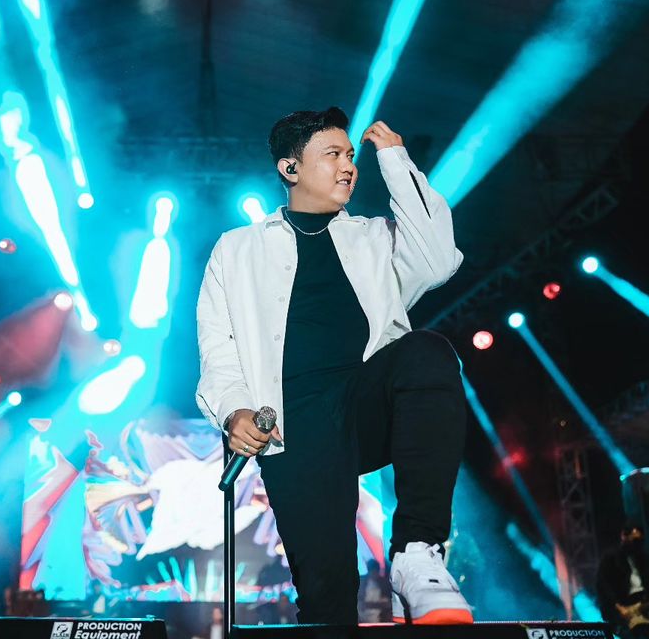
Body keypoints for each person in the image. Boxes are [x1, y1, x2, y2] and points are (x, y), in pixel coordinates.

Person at [196, 108, 470, 625]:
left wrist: (394, 159)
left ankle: (417, 552)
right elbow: (219, 345)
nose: (349, 165)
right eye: (333, 155)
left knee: (427, 352)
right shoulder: (238, 248)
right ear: (290, 168)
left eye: (350, 155)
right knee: (327, 600)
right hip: (295, 429)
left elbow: (439, 259)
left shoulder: (375, 237)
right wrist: (233, 410)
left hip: (363, 403)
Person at [596, 525, 649, 638]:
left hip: (646, 604)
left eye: (640, 540)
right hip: (624, 607)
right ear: (624, 536)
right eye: (634, 539)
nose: (637, 544)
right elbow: (603, 585)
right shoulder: (610, 558)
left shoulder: (643, 559)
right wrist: (619, 607)